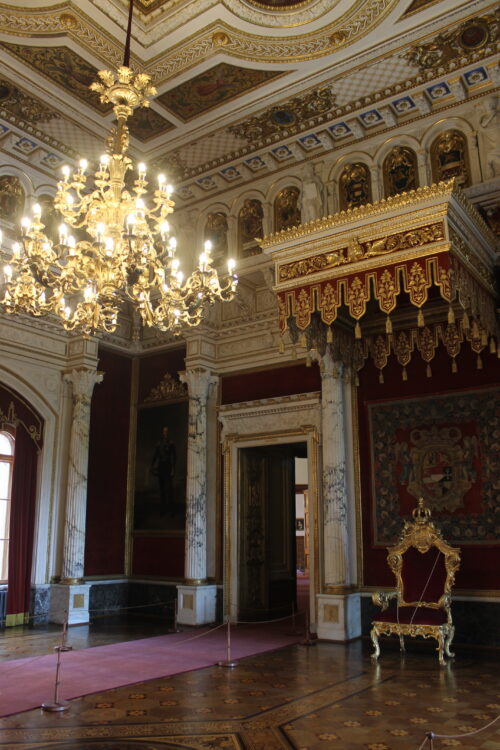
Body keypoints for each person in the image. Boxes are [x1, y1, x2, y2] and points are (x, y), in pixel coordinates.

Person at [151, 426, 176, 516]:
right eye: (164, 432)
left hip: (168, 466)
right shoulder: (159, 444)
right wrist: (152, 466)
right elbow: (155, 455)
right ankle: (163, 510)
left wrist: (173, 469)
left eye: (167, 432)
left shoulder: (171, 443)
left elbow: (174, 457)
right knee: (161, 489)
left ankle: (171, 510)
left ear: (168, 433)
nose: (165, 433)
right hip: (161, 467)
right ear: (162, 433)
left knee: (169, 489)